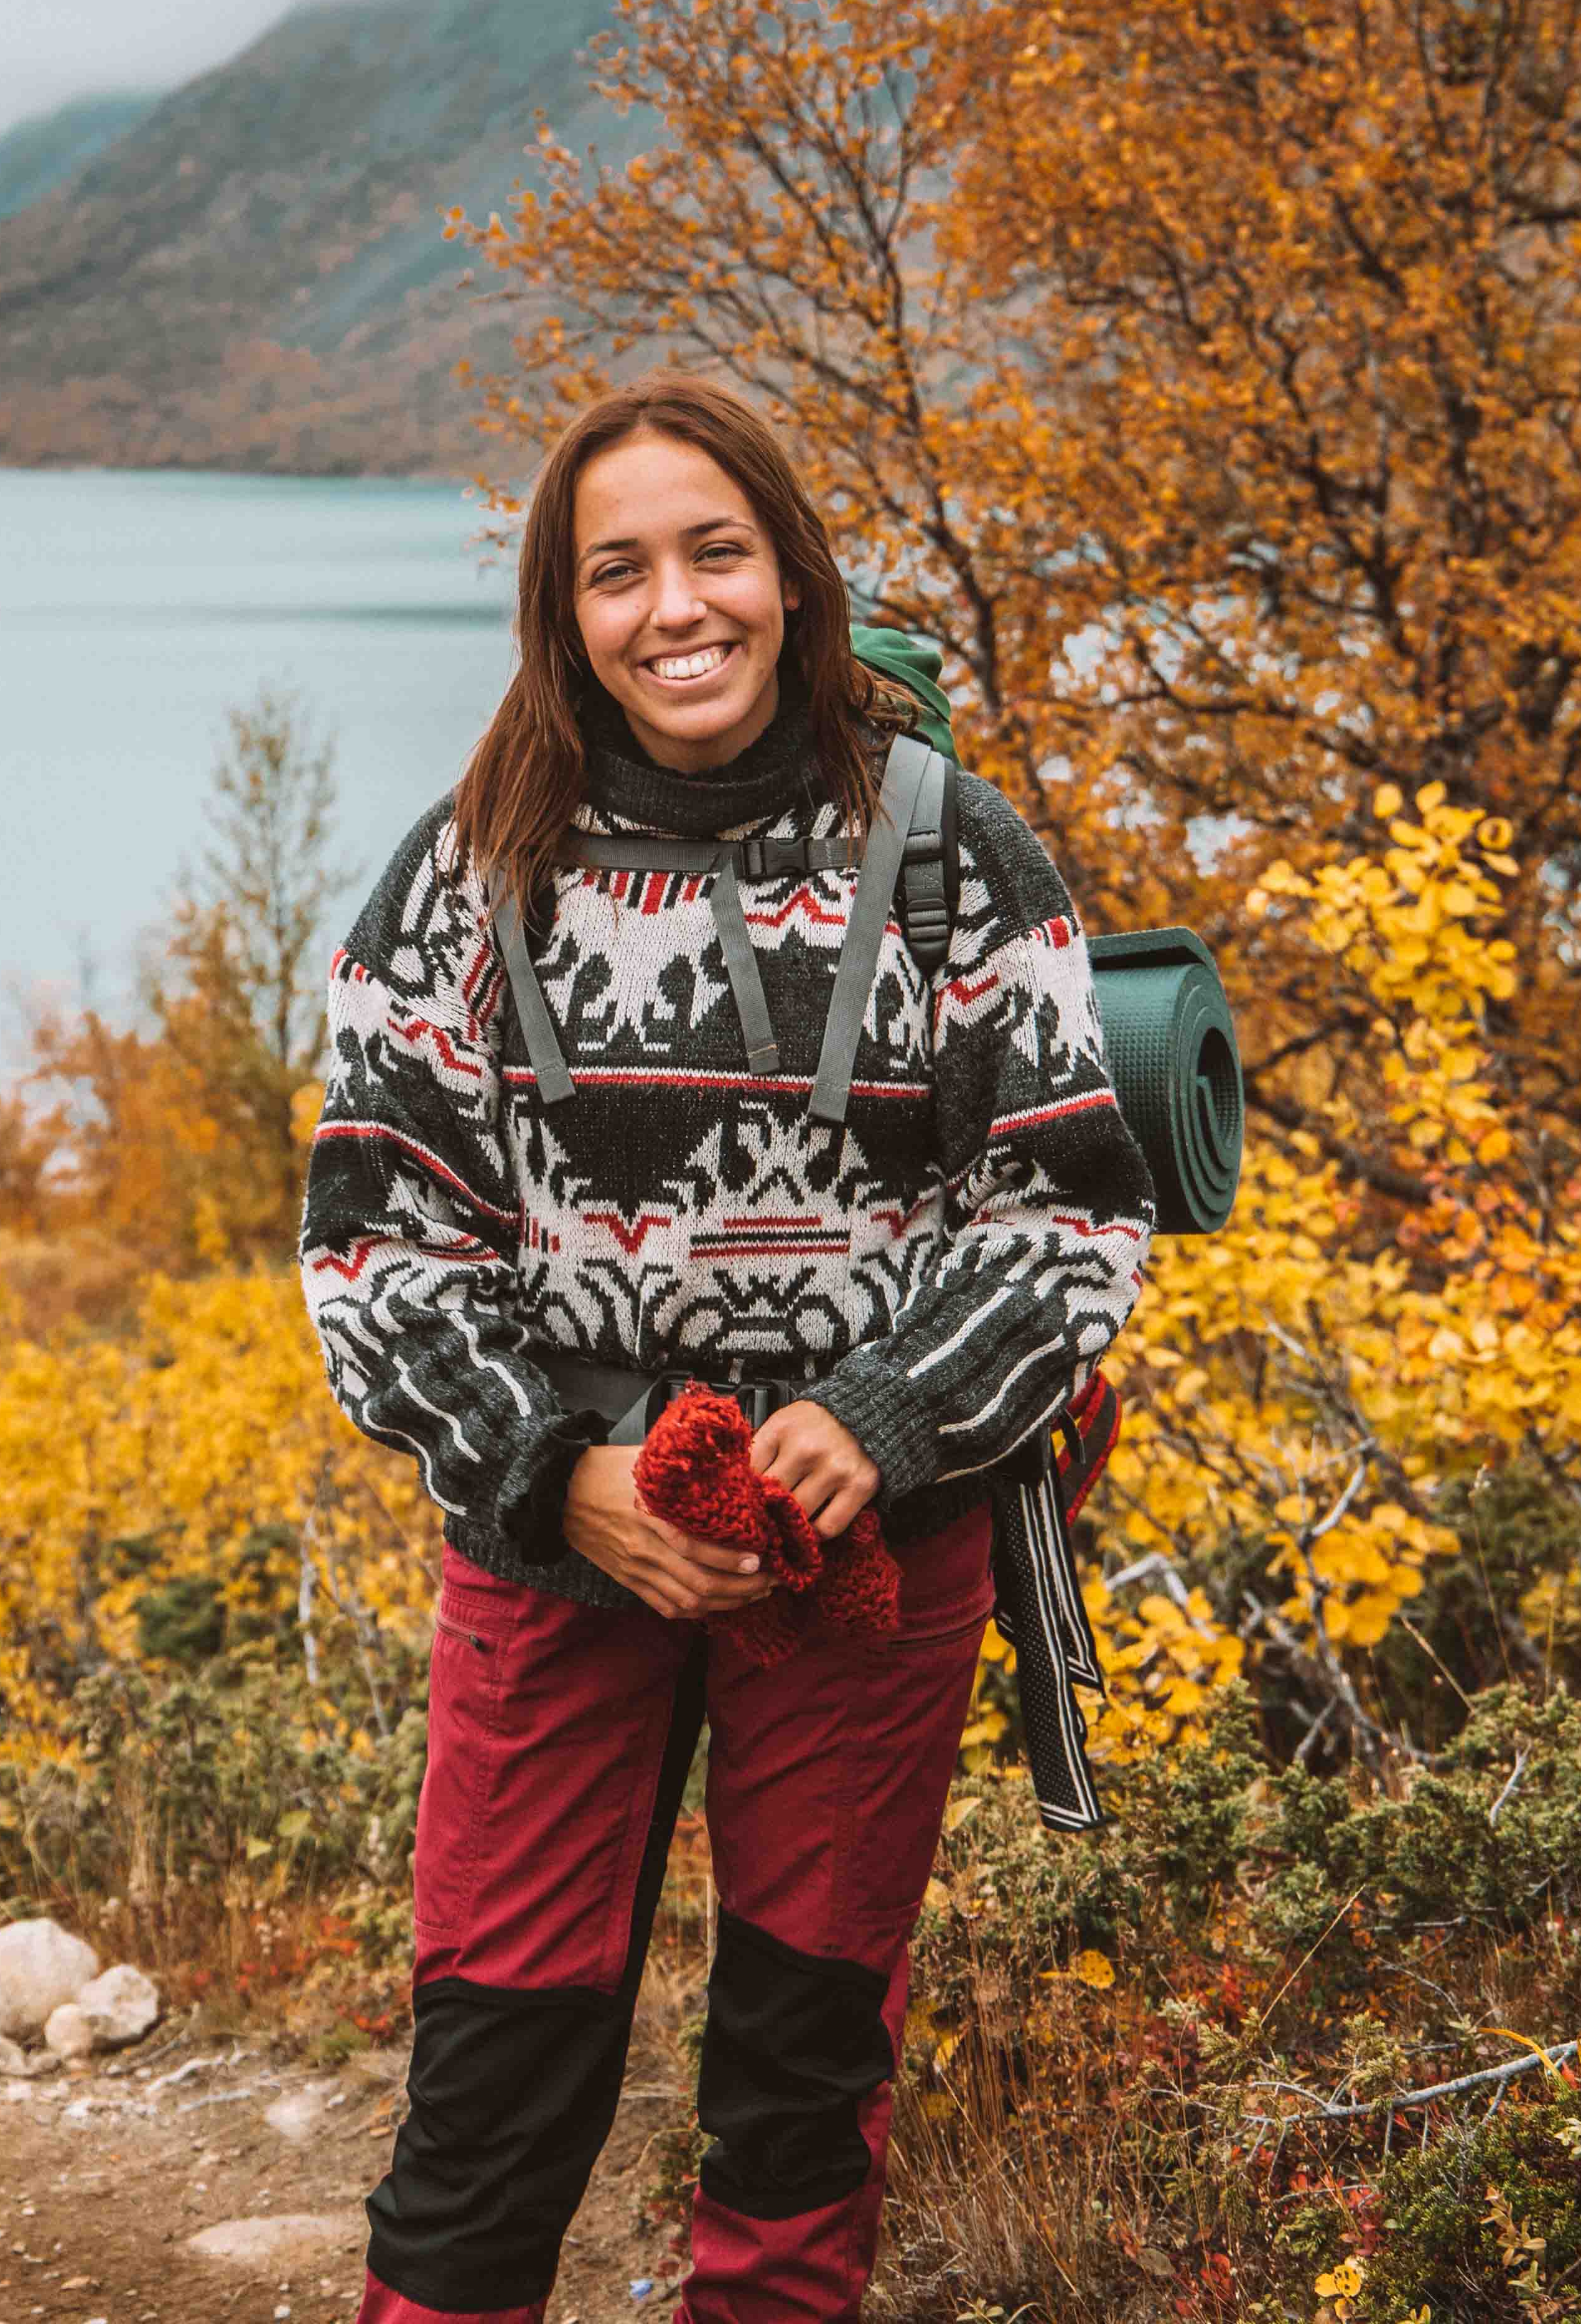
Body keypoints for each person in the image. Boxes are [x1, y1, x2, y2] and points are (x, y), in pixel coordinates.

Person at [299, 373, 1154, 2324]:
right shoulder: (463, 874)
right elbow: (375, 1243)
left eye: (714, 553)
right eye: (618, 572)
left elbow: (1066, 1209)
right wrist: (555, 1481)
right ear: (562, 613)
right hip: (556, 1547)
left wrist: (890, 1412)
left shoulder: (953, 854)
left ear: (788, 574)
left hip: (870, 1553)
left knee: (799, 2074)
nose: (673, 609)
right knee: (495, 2075)